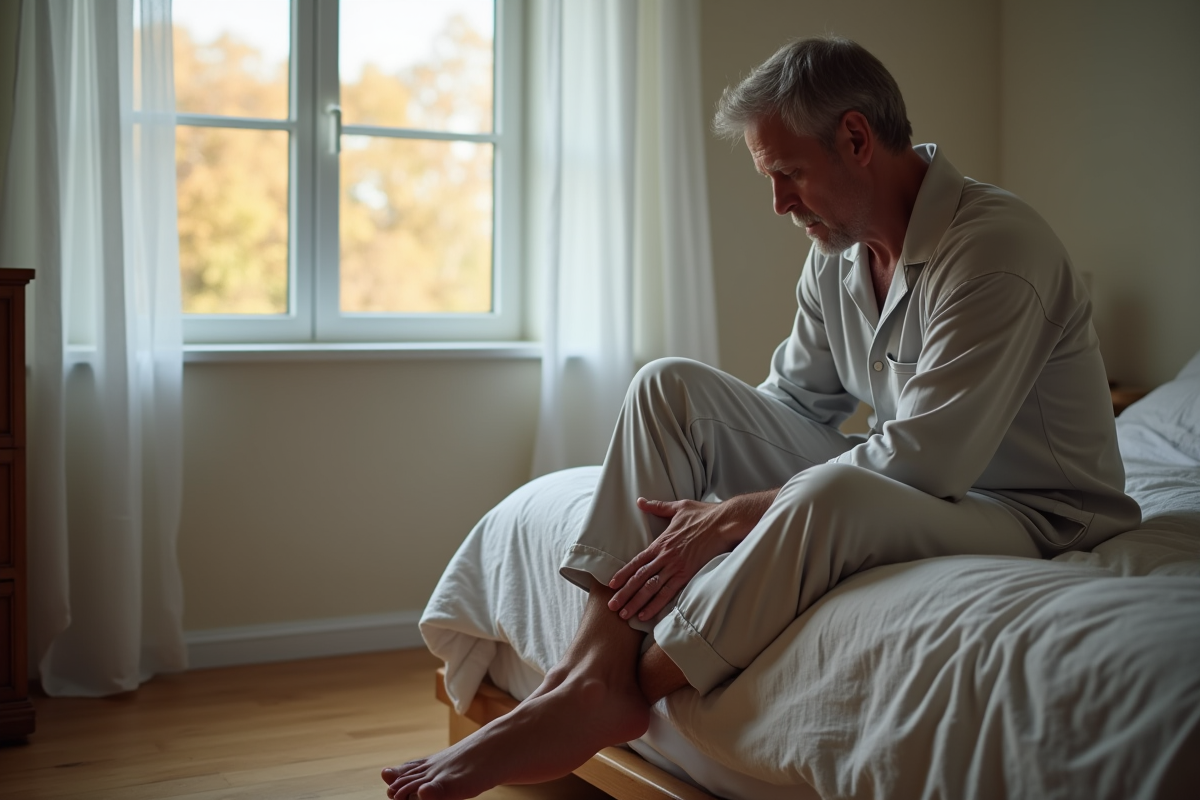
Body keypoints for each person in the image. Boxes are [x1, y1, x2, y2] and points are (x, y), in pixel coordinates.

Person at [382, 36, 1139, 800]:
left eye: (788, 174)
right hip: (929, 485)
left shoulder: (996, 249)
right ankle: (590, 671)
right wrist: (725, 484)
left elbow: (928, 462)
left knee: (830, 493)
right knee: (667, 387)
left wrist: (730, 518)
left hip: (1036, 514)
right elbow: (792, 406)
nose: (778, 203)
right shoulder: (836, 253)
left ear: (854, 138)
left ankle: (630, 683)